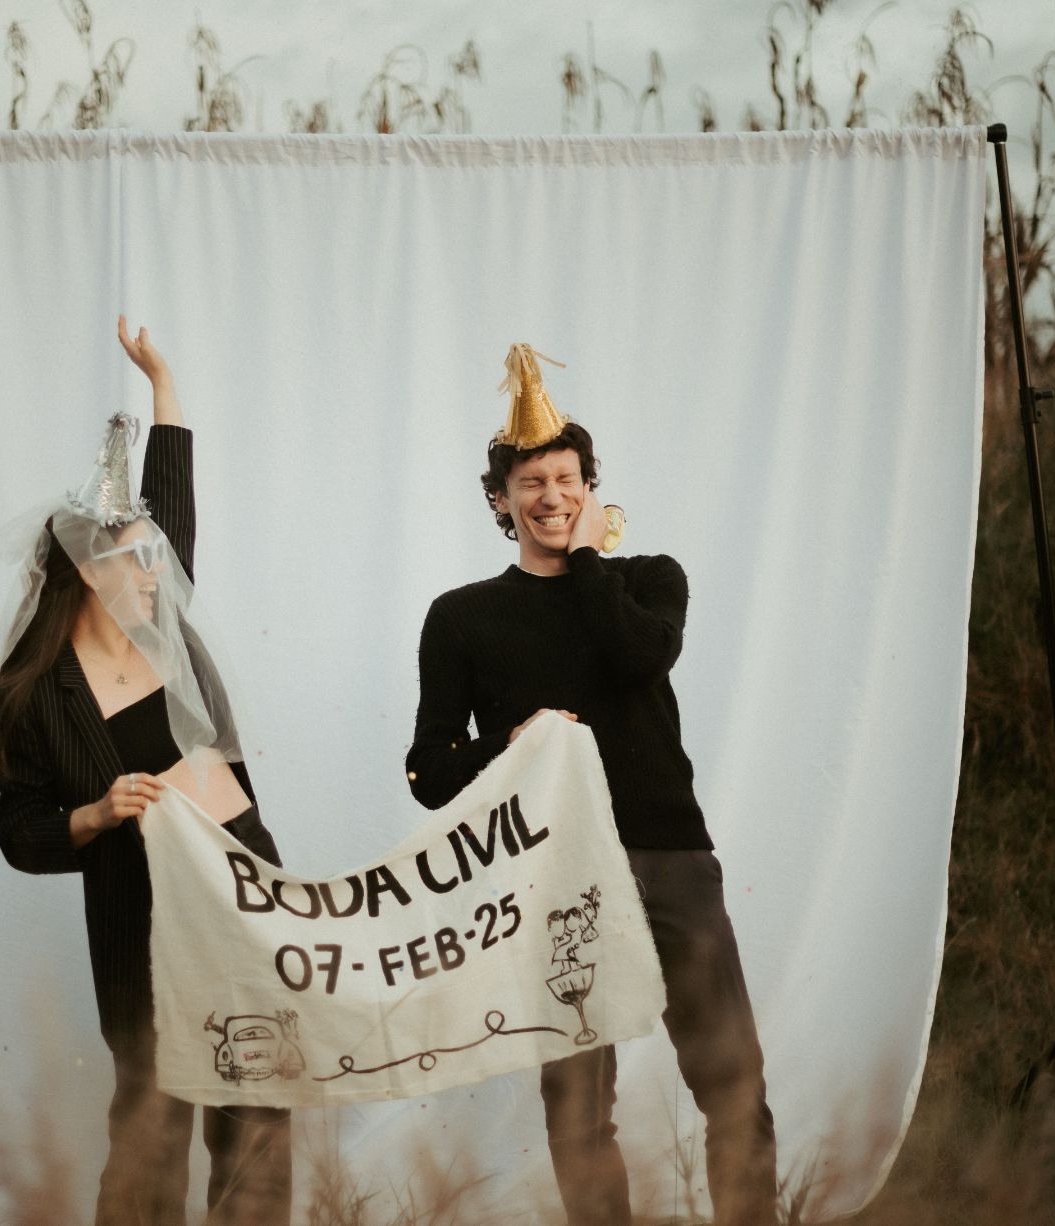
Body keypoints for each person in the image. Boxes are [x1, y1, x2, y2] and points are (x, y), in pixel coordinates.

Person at [404, 345, 778, 1226]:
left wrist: (585, 560)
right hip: (551, 876)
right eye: (530, 482)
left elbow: (638, 657)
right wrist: (510, 744)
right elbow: (428, 774)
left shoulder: (648, 580)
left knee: (730, 1083)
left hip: (668, 856)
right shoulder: (460, 618)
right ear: (500, 500)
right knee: (577, 1108)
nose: (550, 496)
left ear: (590, 488)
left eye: (566, 479)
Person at [0, 316, 290, 1226]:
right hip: (139, 921)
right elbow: (20, 834)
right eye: (136, 562)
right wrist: (97, 812)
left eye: (157, 559)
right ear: (86, 571)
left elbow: (173, 499)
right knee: (152, 1122)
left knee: (257, 1112)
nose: (157, 577)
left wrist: (161, 380)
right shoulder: (32, 695)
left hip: (241, 894)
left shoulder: (163, 626)